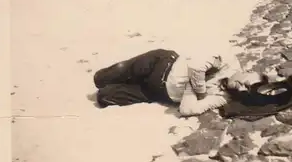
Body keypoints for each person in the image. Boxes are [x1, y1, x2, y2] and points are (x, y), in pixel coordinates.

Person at [93, 47, 244, 116]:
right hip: (162, 64)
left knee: (104, 96)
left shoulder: (225, 97)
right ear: (251, 73)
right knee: (101, 78)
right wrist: (201, 91)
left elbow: (188, 110)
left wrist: (195, 86)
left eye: (248, 92)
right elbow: (197, 67)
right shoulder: (229, 60)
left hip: (158, 93)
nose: (244, 89)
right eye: (249, 84)